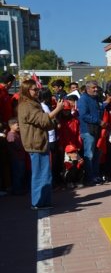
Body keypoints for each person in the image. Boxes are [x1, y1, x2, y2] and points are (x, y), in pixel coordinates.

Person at [17, 81, 64, 209]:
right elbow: (41, 119)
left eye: (37, 89)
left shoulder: (32, 103)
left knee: (44, 173)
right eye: (34, 90)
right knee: (40, 174)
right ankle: (38, 202)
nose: (37, 92)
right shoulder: (26, 105)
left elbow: (45, 123)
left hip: (39, 142)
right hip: (35, 143)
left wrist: (52, 120)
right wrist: (57, 109)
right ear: (27, 90)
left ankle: (43, 202)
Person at [77, 81, 104, 185]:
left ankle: (95, 176)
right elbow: (83, 115)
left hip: (97, 130)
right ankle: (89, 178)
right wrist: (99, 121)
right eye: (93, 88)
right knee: (89, 155)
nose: (96, 89)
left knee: (96, 155)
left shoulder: (96, 98)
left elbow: (100, 110)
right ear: (87, 89)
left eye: (96, 87)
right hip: (88, 130)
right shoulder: (83, 99)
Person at [6, 118, 26, 194]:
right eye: (16, 124)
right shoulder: (11, 135)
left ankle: (19, 189)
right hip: (16, 158)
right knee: (18, 174)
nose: (18, 126)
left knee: (20, 174)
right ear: (11, 126)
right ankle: (17, 190)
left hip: (20, 157)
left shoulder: (16, 134)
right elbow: (16, 147)